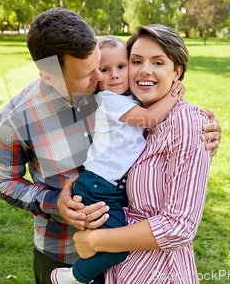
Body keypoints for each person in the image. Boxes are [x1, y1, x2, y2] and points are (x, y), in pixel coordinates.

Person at [0, 8, 222, 284]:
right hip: (62, 252)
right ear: (49, 76)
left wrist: (205, 128)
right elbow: (2, 181)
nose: (101, 77)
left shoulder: (115, 89)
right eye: (88, 75)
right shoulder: (16, 118)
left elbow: (161, 107)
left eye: (100, 64)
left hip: (125, 257)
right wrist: (54, 202)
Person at [73, 24, 212, 284]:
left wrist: (94, 240)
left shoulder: (185, 122)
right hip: (122, 271)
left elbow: (179, 227)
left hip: (159, 272)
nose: (145, 70)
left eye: (158, 62)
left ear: (177, 72)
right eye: (137, 61)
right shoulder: (133, 112)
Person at [51, 36, 185, 284]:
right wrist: (174, 96)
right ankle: (74, 276)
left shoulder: (130, 99)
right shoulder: (109, 100)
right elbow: (150, 119)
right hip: (99, 185)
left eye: (122, 67)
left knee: (110, 242)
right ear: (96, 75)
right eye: (105, 69)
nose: (114, 75)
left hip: (107, 184)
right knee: (118, 246)